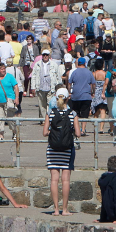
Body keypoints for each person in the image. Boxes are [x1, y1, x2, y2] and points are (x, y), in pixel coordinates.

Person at [43, 87, 81, 216]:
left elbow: (44, 133)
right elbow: (78, 133)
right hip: (67, 149)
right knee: (65, 180)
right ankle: (64, 209)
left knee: (54, 179)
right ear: (68, 98)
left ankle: (55, 209)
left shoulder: (50, 112)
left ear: (55, 96)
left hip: (52, 149)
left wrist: (52, 132)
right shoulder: (72, 113)